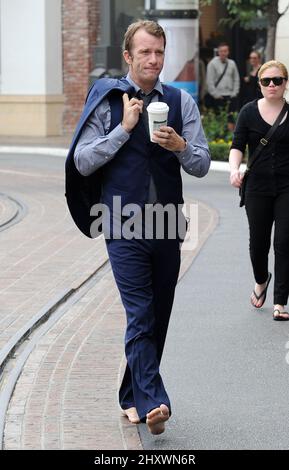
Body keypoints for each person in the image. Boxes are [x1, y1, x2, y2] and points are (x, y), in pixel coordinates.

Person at [65, 20, 210, 434]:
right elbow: (82, 160)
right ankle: (155, 401)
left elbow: (201, 164)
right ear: (127, 56)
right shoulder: (108, 99)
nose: (153, 59)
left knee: (158, 314)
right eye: (145, 52)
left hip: (166, 222)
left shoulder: (181, 104)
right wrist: (123, 129)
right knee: (140, 312)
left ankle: (131, 396)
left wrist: (180, 146)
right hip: (121, 223)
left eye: (159, 52)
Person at [229, 60, 289, 321]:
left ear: (286, 83)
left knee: (285, 243)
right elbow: (237, 145)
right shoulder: (248, 112)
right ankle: (261, 279)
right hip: (257, 187)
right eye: (267, 81)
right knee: (258, 244)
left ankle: (280, 302)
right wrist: (234, 169)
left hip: (288, 186)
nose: (272, 85)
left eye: (277, 80)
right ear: (260, 85)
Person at [205, 42, 240, 112]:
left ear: (228, 52)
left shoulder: (232, 63)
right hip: (218, 97)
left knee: (231, 119)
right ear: (218, 52)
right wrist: (216, 95)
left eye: (225, 51)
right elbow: (209, 81)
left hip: (230, 96)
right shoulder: (212, 64)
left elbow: (236, 79)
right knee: (219, 119)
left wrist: (234, 93)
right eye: (221, 51)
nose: (223, 53)